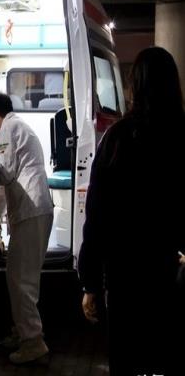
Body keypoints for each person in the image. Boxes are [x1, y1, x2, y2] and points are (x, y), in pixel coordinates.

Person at [78, 47, 185, 376]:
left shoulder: (118, 138)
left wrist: (90, 282)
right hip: (167, 270)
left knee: (125, 358)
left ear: (135, 85)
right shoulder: (181, 136)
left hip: (123, 275)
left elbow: (97, 215)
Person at [0, 92, 53, 365]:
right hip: (36, 209)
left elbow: (5, 173)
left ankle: (33, 342)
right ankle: (24, 331)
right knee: (24, 278)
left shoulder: (8, 128)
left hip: (30, 210)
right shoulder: (19, 128)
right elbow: (7, 183)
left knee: (19, 280)